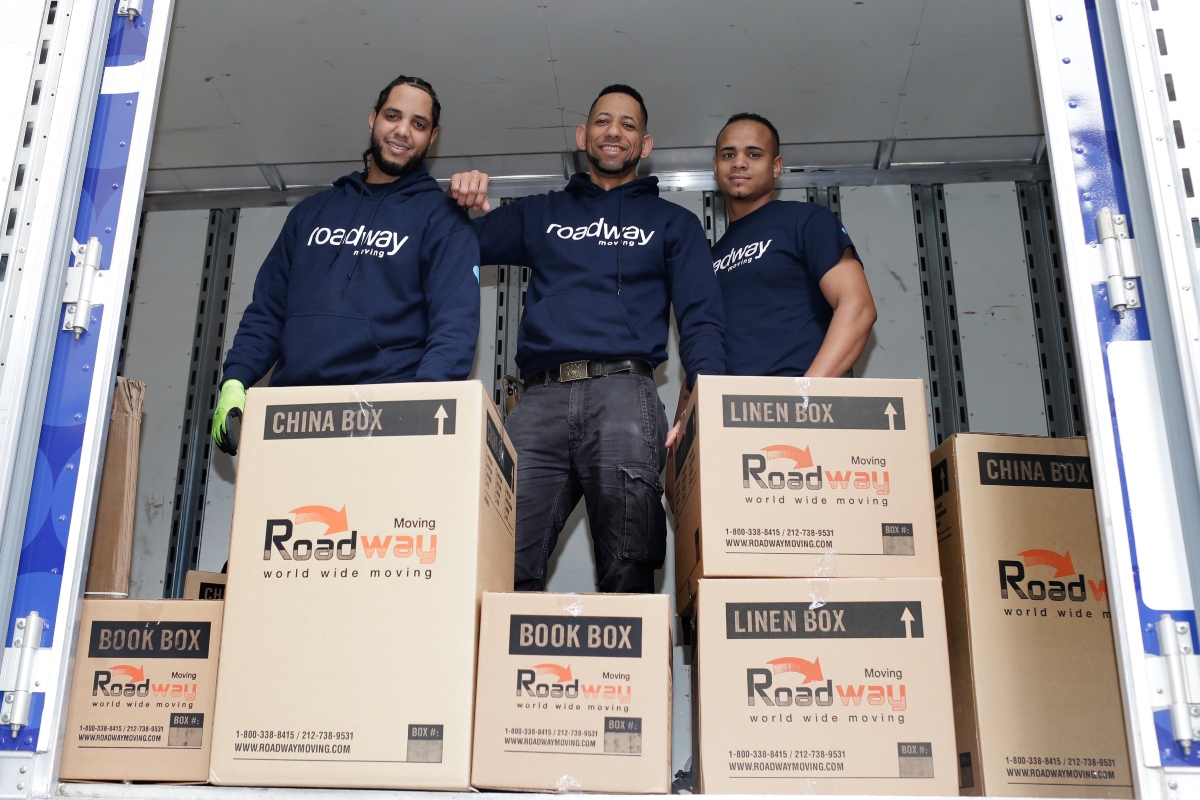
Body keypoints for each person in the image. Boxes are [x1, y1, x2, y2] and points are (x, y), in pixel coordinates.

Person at [448, 84, 726, 593]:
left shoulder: (674, 224)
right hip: (539, 401)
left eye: (627, 124)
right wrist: (455, 200)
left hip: (625, 395)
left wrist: (707, 401)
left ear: (645, 144)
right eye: (602, 121)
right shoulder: (540, 212)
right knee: (499, 559)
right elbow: (453, 246)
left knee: (629, 564)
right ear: (582, 136)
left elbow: (702, 319)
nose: (613, 131)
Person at [211, 75, 481, 455]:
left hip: (382, 417)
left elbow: (454, 326)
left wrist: (421, 410)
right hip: (292, 415)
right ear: (373, 119)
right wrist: (236, 381)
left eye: (418, 124)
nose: (403, 131)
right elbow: (268, 310)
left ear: (432, 137)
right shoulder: (311, 212)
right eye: (393, 116)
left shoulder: (443, 219)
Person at [668, 113, 876, 434]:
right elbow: (698, 354)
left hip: (801, 417)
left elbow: (858, 307)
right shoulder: (705, 259)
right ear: (716, 166)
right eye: (728, 154)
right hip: (730, 422)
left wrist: (802, 399)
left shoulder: (807, 220)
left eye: (754, 154)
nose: (739, 162)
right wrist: (682, 440)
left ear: (776, 166)